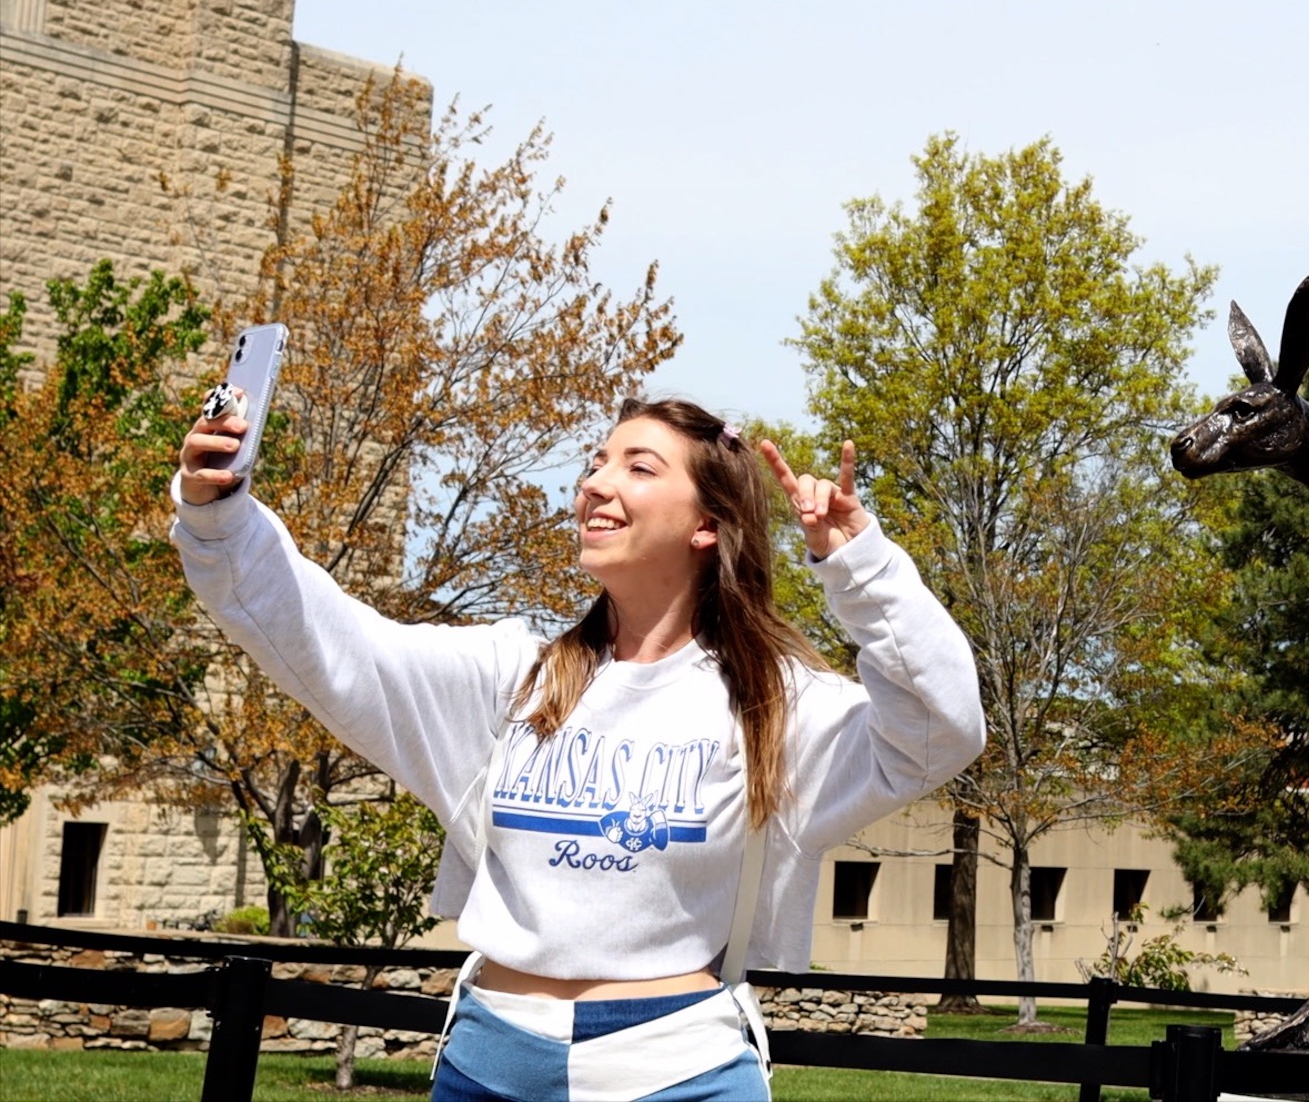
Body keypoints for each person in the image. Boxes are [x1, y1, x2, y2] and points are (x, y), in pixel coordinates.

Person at [175, 394, 985, 1101]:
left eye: (638, 467)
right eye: (596, 463)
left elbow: (938, 728)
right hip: (490, 1063)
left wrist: (861, 568)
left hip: (681, 1072)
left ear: (708, 524)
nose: (596, 483)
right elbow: (329, 642)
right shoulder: (511, 680)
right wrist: (220, 512)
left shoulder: (771, 702)